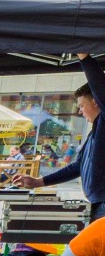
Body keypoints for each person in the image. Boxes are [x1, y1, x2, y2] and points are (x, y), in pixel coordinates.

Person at [20, 56, 105, 222]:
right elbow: (76, 167)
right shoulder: (93, 134)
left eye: (81, 105)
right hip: (97, 203)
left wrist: (84, 58)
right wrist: (39, 182)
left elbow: (100, 85)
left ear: (96, 101)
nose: (80, 111)